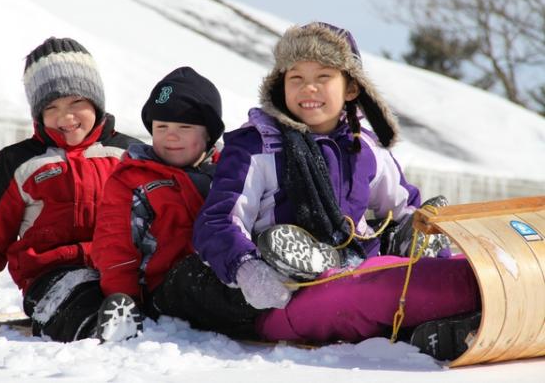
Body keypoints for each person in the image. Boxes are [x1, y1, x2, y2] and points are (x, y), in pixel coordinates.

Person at [191, 22, 481, 361]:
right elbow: (217, 221)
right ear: (280, 85)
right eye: (295, 78)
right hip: (284, 294)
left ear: (351, 88)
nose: (308, 89)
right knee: (380, 289)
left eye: (323, 77)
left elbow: (406, 206)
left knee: (437, 268)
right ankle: (467, 293)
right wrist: (248, 269)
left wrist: (425, 236)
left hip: (355, 265)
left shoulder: (364, 149)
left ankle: (451, 328)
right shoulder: (258, 146)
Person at [0, 37, 141, 342]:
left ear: (96, 102)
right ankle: (98, 326)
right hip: (51, 276)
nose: (66, 117)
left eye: (77, 102)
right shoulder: (20, 162)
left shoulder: (128, 155)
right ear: (38, 113)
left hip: (122, 267)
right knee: (72, 299)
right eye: (52, 107)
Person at [91, 66, 227, 342]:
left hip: (224, 273)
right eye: (161, 127)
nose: (170, 136)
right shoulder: (133, 179)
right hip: (164, 291)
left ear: (209, 135)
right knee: (198, 275)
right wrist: (126, 300)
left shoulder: (229, 173)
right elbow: (114, 245)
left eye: (184, 127)